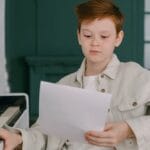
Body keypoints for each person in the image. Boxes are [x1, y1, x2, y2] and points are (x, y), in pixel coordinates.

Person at [0, 0, 150, 149]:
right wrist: (18, 138)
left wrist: (128, 129)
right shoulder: (63, 86)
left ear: (118, 38)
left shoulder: (139, 78)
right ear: (79, 36)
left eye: (104, 36)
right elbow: (43, 135)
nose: (95, 43)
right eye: (87, 35)